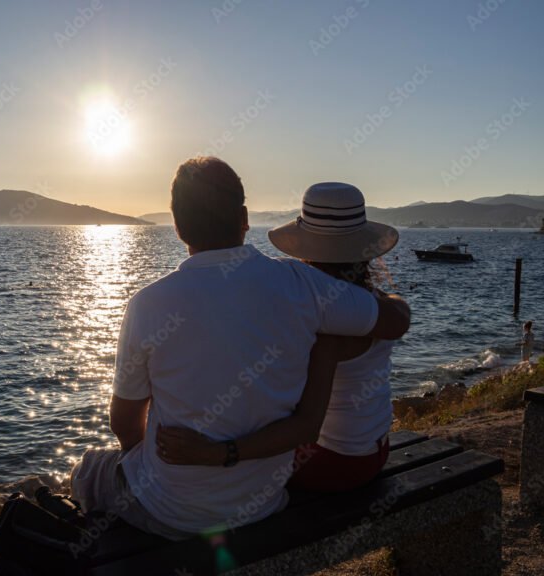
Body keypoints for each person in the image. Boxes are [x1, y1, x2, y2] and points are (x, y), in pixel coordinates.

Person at [69, 158, 410, 540]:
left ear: (178, 225)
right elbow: (394, 320)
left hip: (174, 512)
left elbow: (125, 424)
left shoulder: (148, 303)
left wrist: (152, 461)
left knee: (88, 470)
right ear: (244, 217)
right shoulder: (302, 286)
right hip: (263, 502)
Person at [157, 183, 400, 492]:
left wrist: (218, 452)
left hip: (335, 463)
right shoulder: (372, 305)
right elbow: (397, 316)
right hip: (375, 450)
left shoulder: (324, 329)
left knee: (232, 477)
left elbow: (307, 427)